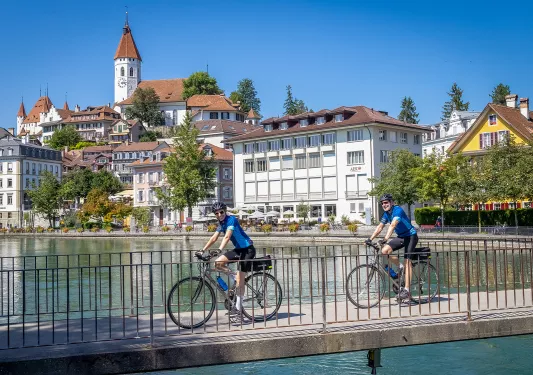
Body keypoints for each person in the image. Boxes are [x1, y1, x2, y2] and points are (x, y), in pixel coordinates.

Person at [202, 201, 255, 322]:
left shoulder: (231, 220)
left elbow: (227, 236)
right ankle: (234, 277)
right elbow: (214, 237)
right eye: (217, 213)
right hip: (238, 250)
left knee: (240, 281)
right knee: (218, 263)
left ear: (225, 211)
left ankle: (238, 310)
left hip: (247, 250)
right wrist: (202, 250)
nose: (219, 214)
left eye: (221, 212)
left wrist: (219, 249)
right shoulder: (221, 223)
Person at [365, 194, 418, 300]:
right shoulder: (386, 214)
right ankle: (400, 266)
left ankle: (407, 290)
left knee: (408, 261)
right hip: (402, 237)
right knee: (384, 251)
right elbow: (380, 227)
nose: (384, 204)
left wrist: (385, 239)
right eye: (383, 203)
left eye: (386, 202)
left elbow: (393, 225)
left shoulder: (397, 210)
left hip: (411, 236)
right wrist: (370, 239)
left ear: (392, 202)